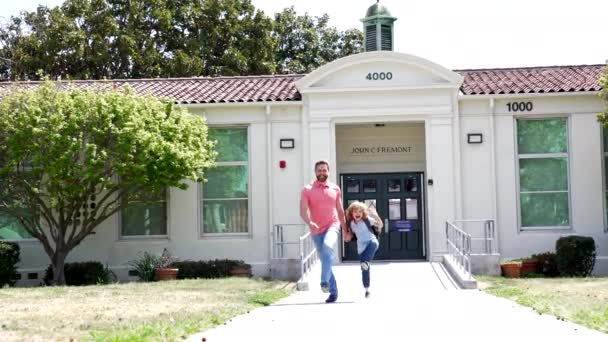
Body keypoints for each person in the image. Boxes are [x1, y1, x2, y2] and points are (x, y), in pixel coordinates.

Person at [300, 160, 347, 303]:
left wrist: (345, 229)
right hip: (316, 230)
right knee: (325, 260)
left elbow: (340, 211)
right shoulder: (307, 190)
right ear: (315, 172)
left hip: (333, 225)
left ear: (328, 171)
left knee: (328, 246)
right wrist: (310, 222)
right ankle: (333, 292)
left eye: (324, 170)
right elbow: (302, 211)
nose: (322, 173)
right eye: (319, 170)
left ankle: (323, 282)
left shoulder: (335, 189)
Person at [344, 201, 383, 298]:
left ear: (363, 213)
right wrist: (347, 237)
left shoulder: (367, 220)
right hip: (361, 248)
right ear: (351, 213)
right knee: (365, 269)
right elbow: (350, 236)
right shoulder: (351, 224)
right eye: (355, 211)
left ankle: (366, 262)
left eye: (360, 212)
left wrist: (375, 216)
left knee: (374, 243)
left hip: (371, 241)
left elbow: (380, 225)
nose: (358, 213)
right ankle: (367, 290)